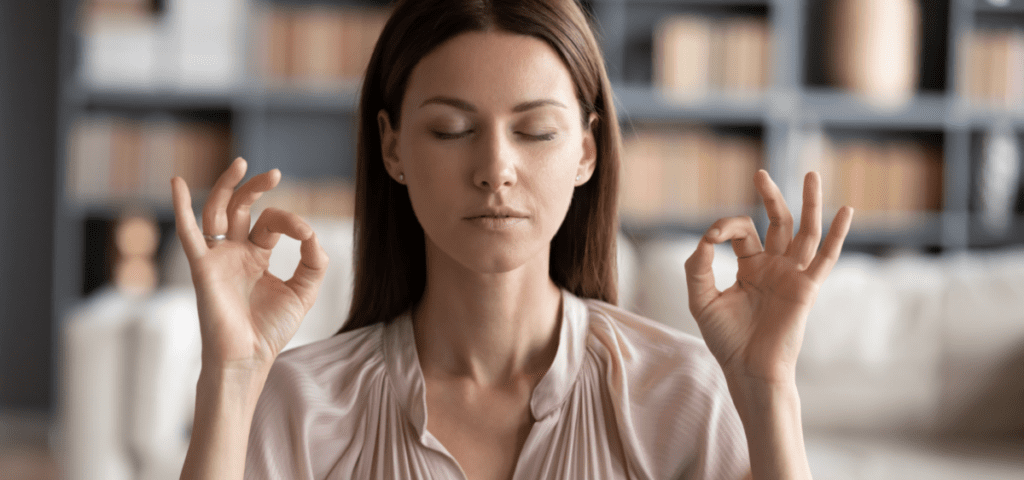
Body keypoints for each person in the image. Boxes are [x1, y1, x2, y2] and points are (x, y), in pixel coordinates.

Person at [173, 0, 853, 478]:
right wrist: (231, 376)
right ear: (392, 148)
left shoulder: (677, 393)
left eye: (535, 131)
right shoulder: (302, 404)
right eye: (450, 129)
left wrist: (767, 389)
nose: (496, 168)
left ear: (587, 152)